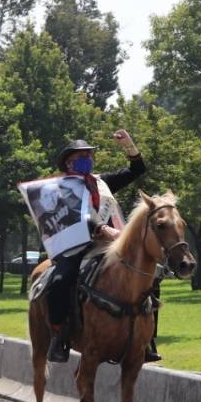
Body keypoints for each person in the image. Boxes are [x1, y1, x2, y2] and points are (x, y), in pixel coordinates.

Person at [44, 130, 148, 363]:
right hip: (78, 246)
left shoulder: (102, 182)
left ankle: (147, 340)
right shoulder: (62, 187)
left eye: (89, 155)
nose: (87, 159)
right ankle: (59, 335)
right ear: (69, 162)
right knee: (60, 282)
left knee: (150, 278)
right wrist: (103, 229)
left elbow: (137, 170)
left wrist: (130, 147)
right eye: (81, 156)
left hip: (112, 245)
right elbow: (82, 213)